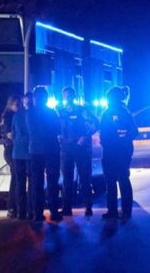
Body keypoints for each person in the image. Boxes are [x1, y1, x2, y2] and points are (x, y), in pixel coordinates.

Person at [100, 86, 138, 221]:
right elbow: (133, 132)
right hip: (121, 151)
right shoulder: (125, 113)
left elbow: (103, 135)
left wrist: (115, 140)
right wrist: (123, 139)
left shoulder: (108, 113)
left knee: (113, 181)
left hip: (113, 152)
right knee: (121, 180)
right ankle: (123, 211)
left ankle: (114, 211)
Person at [58, 86, 98, 217]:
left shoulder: (82, 110)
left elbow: (96, 122)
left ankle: (88, 206)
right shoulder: (60, 111)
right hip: (66, 149)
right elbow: (55, 126)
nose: (68, 98)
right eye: (66, 96)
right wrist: (58, 135)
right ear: (63, 97)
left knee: (85, 177)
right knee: (67, 179)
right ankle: (67, 208)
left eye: (70, 95)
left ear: (74, 96)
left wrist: (86, 136)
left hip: (80, 147)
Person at [26, 86, 62, 222]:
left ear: (34, 98)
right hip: (51, 149)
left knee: (36, 183)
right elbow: (58, 129)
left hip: (35, 150)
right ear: (46, 98)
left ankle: (37, 213)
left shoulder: (28, 113)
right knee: (53, 182)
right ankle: (54, 211)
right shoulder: (52, 113)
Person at [1, 95, 22, 219]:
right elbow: (10, 135)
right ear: (10, 105)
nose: (18, 107)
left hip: (14, 150)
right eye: (16, 105)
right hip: (11, 150)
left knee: (17, 178)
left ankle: (14, 207)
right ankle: (12, 207)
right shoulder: (9, 117)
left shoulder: (13, 116)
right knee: (16, 178)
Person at [11, 97, 32, 220]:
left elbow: (13, 132)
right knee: (32, 183)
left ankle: (21, 212)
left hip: (17, 153)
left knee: (20, 183)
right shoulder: (32, 115)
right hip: (30, 152)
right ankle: (31, 210)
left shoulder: (16, 115)